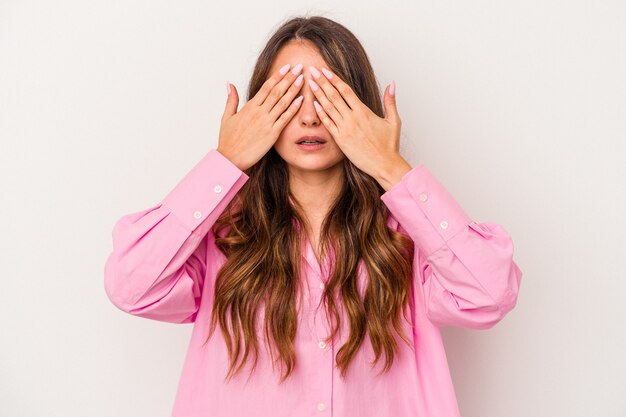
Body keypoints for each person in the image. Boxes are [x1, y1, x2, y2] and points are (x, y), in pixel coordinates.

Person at [104, 15, 522, 417]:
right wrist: (226, 161)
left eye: (327, 96)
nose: (309, 116)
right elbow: (132, 286)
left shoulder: (410, 237)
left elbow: (489, 294)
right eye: (288, 96)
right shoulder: (223, 236)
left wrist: (388, 165)